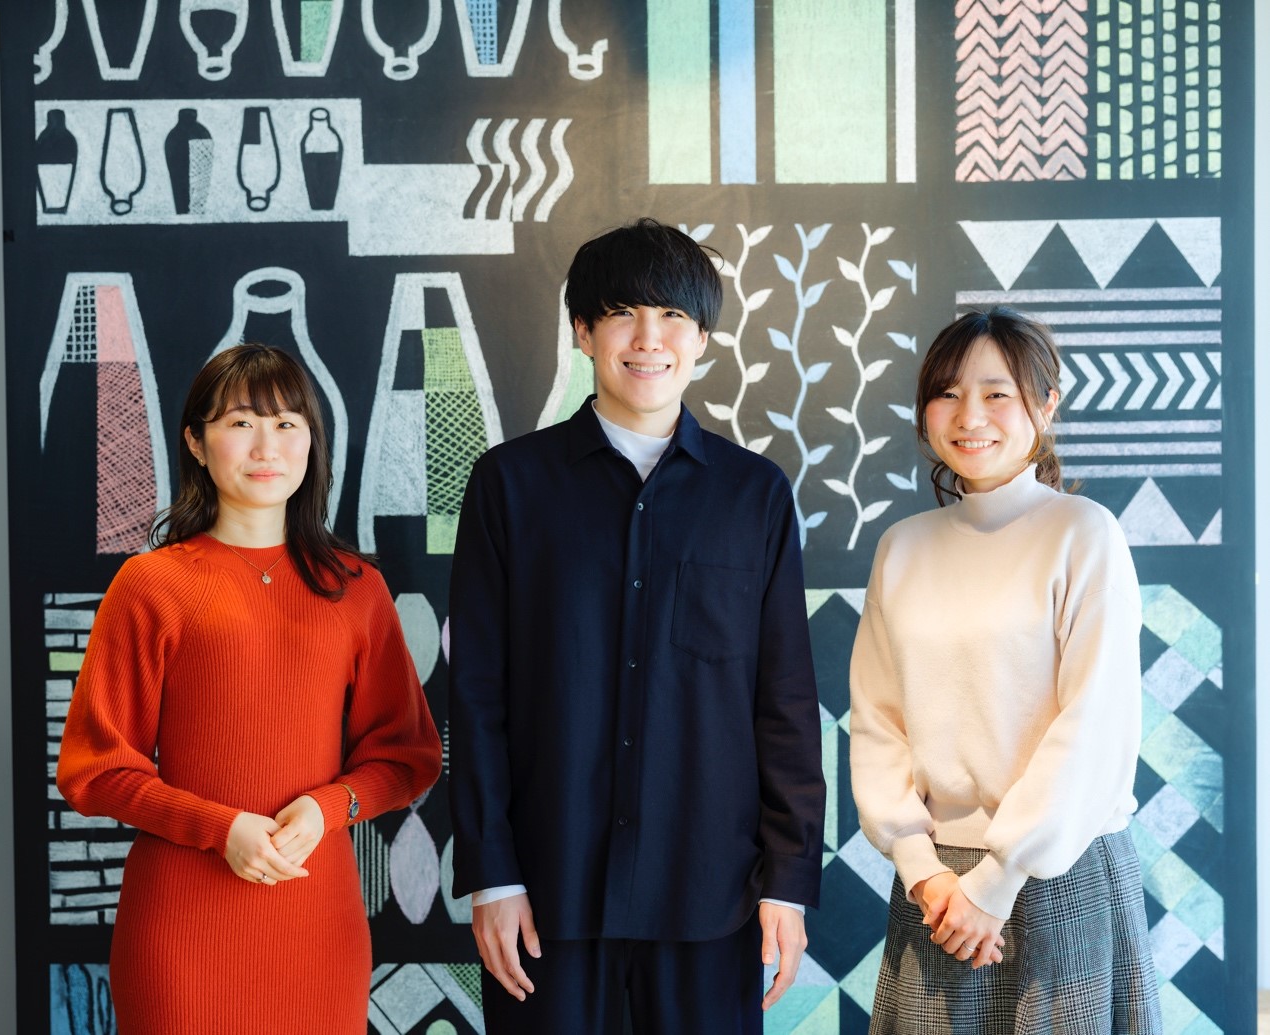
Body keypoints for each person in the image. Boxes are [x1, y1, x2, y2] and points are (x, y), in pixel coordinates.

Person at [448, 217, 825, 1034]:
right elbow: (476, 695)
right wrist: (492, 873)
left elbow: (786, 701)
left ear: (703, 339)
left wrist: (789, 879)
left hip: (712, 892)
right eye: (622, 313)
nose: (649, 339)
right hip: (546, 889)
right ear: (582, 331)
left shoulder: (754, 494)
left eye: (673, 317)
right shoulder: (509, 484)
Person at [56, 344, 442, 1034]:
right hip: (181, 930)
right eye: (240, 423)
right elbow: (96, 769)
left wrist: (327, 808)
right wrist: (219, 828)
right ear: (196, 443)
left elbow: (407, 756)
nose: (267, 446)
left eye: (288, 423)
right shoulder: (150, 585)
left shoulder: (358, 589)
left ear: (312, 442)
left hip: (318, 925)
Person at [849, 307, 1161, 1032]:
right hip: (933, 889)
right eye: (948, 393)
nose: (970, 415)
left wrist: (997, 880)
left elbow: (1093, 724)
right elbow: (877, 721)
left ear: (1046, 405)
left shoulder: (1084, 534)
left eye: (998, 393)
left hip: (1059, 873)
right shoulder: (902, 547)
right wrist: (923, 870)